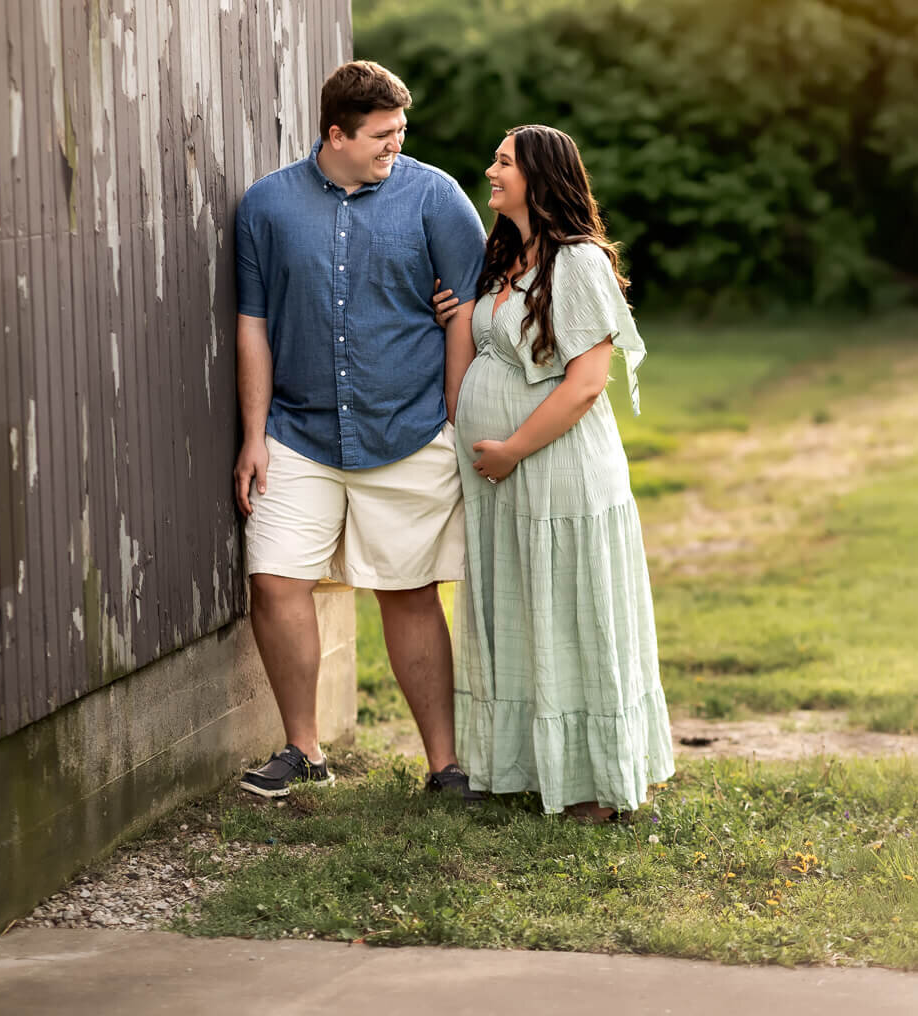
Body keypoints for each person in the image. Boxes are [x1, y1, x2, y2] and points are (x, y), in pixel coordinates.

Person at [233, 60, 487, 801]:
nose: (394, 147)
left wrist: (452, 410)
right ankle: (302, 750)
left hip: (408, 427)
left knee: (408, 592)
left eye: (401, 132)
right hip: (296, 431)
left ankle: (444, 767)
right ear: (334, 133)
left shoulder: (435, 196)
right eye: (381, 135)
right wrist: (253, 435)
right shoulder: (267, 207)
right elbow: (253, 325)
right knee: (275, 581)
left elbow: (470, 310)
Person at [436, 124, 674, 820]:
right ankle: (532, 767)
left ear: (539, 176)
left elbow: (584, 384)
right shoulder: (501, 256)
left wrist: (510, 449)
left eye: (503, 162)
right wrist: (456, 327)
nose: (490, 171)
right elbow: (477, 356)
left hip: (558, 469)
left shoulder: (577, 262)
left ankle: (599, 784)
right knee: (517, 610)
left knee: (572, 612)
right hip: (499, 479)